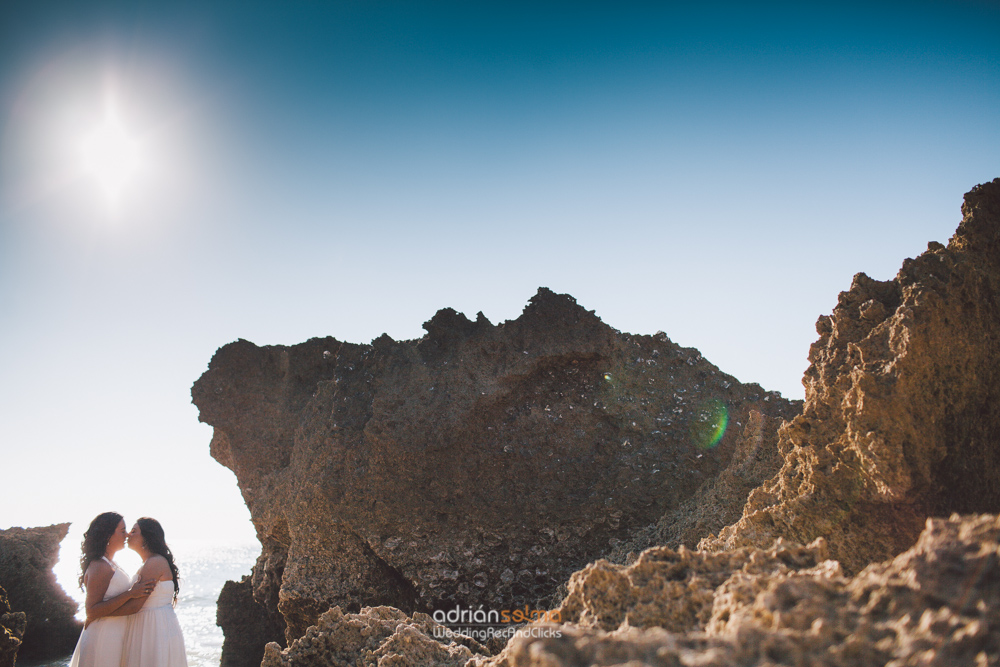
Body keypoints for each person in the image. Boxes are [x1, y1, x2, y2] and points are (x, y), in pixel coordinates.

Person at [68, 512, 156, 667]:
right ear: (108, 534)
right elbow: (91, 611)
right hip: (103, 636)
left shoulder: (110, 563)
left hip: (113, 634)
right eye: (122, 531)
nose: (127, 534)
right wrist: (130, 594)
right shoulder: (100, 566)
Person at [119, 517, 188, 667]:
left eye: (134, 531)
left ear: (146, 537)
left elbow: (134, 606)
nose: (128, 535)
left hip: (153, 628)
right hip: (153, 624)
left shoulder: (155, 562)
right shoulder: (150, 562)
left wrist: (98, 613)